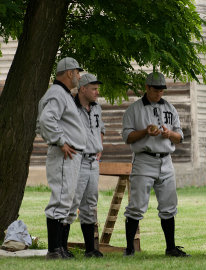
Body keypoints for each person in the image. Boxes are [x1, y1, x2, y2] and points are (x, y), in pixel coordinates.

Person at [121, 72, 189, 257]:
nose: (160, 93)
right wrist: (145, 131)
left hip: (166, 159)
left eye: (162, 90)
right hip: (144, 159)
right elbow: (127, 136)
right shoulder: (134, 109)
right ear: (147, 88)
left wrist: (169, 134)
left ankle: (171, 248)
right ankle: (129, 249)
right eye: (156, 89)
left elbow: (179, 137)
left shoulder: (170, 108)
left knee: (169, 205)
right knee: (136, 205)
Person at [36, 57, 86, 259]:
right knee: (61, 199)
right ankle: (54, 250)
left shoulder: (64, 94)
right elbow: (46, 120)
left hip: (72, 154)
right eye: (77, 72)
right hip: (64, 153)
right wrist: (60, 141)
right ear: (69, 73)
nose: (79, 76)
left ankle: (61, 248)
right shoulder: (57, 93)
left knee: (70, 201)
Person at [64, 74, 105, 258]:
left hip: (93, 162)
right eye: (94, 89)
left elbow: (101, 129)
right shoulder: (70, 108)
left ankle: (90, 249)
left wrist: (99, 147)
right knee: (71, 202)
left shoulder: (97, 108)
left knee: (90, 205)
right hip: (77, 160)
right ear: (82, 89)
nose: (97, 92)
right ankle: (61, 248)